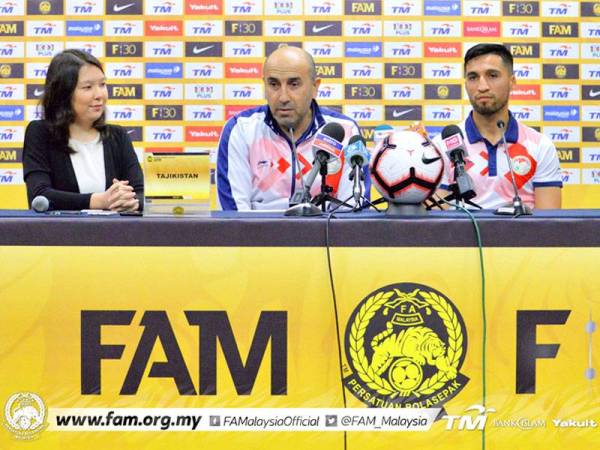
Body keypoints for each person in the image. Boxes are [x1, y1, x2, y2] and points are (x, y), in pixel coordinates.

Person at [216, 45, 367, 210]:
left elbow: (353, 212)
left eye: (294, 84)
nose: (283, 97)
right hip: (257, 234)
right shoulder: (241, 130)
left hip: (326, 235)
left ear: (315, 87)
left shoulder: (345, 131)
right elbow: (234, 217)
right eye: (273, 84)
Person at [434, 43, 562, 209]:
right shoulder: (443, 145)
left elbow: (549, 224)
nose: (482, 87)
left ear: (512, 82)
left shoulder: (540, 146)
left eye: (492, 75)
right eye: (473, 77)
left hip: (523, 235)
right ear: (465, 84)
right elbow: (436, 223)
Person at [23, 49, 143, 211]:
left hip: (114, 234)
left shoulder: (118, 135)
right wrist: (100, 201)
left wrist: (131, 202)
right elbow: (40, 196)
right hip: (60, 234)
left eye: (102, 84)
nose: (99, 94)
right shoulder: (40, 133)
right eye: (88, 87)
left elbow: (140, 193)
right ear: (63, 94)